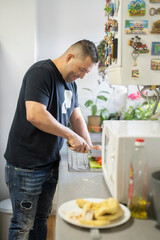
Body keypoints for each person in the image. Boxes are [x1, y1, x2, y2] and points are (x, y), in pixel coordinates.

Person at [4, 39, 101, 240]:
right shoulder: (41, 73)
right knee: (22, 225)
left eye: (86, 73)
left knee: (41, 219)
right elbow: (35, 114)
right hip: (26, 167)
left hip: (49, 164)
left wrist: (89, 146)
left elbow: (76, 117)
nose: (82, 76)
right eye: (81, 69)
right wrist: (70, 135)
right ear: (69, 57)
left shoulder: (70, 84)